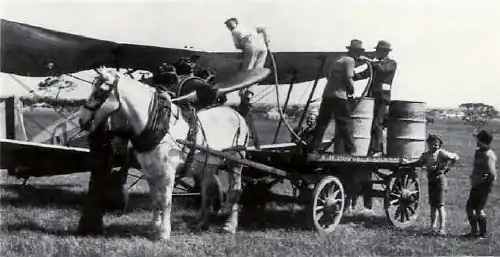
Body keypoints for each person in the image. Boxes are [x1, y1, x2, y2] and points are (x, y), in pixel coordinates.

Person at [308, 39, 366, 154]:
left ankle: (313, 148)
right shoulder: (349, 60)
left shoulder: (337, 60)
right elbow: (348, 77)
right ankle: (351, 151)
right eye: (358, 52)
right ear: (355, 52)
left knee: (322, 123)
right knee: (345, 124)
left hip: (327, 94)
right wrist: (351, 90)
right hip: (339, 96)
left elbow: (329, 76)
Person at [401, 134, 459, 236]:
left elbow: (455, 157)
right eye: (432, 143)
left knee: (440, 205)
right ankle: (433, 228)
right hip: (431, 180)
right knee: (432, 206)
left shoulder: (441, 153)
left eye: (437, 143)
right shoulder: (426, 155)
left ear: (439, 144)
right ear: (429, 144)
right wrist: (406, 164)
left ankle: (442, 229)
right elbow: (418, 163)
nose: (435, 145)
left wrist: (445, 168)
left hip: (440, 179)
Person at [356, 40, 397, 156]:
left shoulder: (391, 63)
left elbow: (383, 70)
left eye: (378, 51)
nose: (376, 53)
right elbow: (364, 74)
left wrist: (368, 61)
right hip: (372, 96)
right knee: (370, 123)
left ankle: (377, 150)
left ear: (385, 52)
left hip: (382, 98)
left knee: (378, 123)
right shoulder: (376, 64)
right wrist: (350, 75)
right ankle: (371, 148)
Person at [224, 17, 270, 113]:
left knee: (247, 71)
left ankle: (244, 94)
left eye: (229, 25)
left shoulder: (235, 31)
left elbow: (238, 46)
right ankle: (248, 94)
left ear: (235, 23)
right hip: (262, 47)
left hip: (250, 46)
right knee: (257, 72)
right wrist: (266, 38)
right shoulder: (250, 27)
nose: (229, 27)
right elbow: (263, 28)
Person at [463, 130, 497, 239]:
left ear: (483, 141)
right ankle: (473, 232)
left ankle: (482, 234)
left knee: (479, 210)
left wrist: (484, 183)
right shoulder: (478, 151)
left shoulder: (489, 155)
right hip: (476, 184)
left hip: (483, 186)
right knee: (469, 208)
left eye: (478, 139)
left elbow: (492, 173)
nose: (476, 141)